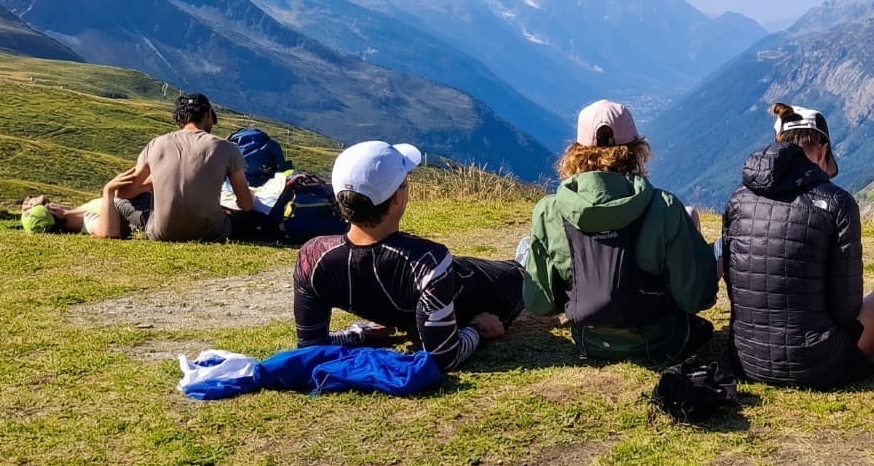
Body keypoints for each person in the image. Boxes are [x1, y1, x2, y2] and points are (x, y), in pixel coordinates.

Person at [293, 140, 523, 370]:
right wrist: (477, 330)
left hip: (458, 276)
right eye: (405, 183)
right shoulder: (428, 262)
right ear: (397, 199)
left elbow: (311, 346)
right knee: (522, 268)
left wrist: (360, 333)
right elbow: (443, 357)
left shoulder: (312, 257)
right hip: (502, 284)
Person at [522, 100, 718, 363]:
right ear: (636, 150)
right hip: (661, 341)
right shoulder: (664, 207)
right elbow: (696, 298)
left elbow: (540, 302)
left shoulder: (549, 212)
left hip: (589, 341)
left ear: (576, 151)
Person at [721, 102, 874, 387]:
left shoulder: (737, 198)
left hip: (745, 359)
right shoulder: (838, 203)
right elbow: (846, 309)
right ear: (822, 149)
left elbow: (735, 286)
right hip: (816, 365)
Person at [92, 93, 255, 241]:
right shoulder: (227, 148)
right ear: (207, 114)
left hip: (161, 233)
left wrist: (152, 184)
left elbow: (125, 192)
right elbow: (246, 204)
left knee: (121, 203)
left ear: (178, 119)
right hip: (212, 233)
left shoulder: (156, 144)